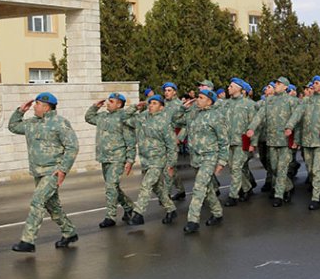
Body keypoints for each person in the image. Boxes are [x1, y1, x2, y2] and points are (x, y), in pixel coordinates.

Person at [8, 92, 79, 252]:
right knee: (52, 206)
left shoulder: (60, 123)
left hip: (52, 172)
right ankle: (69, 232)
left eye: (37, 104)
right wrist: (20, 111)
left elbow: (72, 146)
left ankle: (28, 241)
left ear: (46, 107)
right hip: (38, 172)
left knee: (37, 201)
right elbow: (13, 127)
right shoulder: (32, 123)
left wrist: (63, 169)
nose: (34, 106)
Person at [125, 95, 178, 225]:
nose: (151, 105)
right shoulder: (142, 118)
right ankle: (171, 209)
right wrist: (134, 108)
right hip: (145, 160)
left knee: (146, 185)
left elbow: (172, 145)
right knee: (156, 188)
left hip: (158, 160)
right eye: (150, 103)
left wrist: (171, 164)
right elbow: (124, 118)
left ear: (161, 107)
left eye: (154, 103)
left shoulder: (164, 122)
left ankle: (138, 214)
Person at [182, 89, 229, 234]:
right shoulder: (194, 114)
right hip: (196, 157)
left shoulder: (216, 116)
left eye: (201, 98)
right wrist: (183, 108)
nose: (197, 100)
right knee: (207, 188)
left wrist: (221, 162)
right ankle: (217, 212)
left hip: (209, 157)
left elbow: (223, 141)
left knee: (198, 188)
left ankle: (193, 220)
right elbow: (176, 120)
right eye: (197, 97)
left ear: (210, 101)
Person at [285, 75, 320, 210]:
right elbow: (297, 115)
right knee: (311, 170)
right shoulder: (306, 101)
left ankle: (316, 197)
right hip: (307, 141)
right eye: (313, 82)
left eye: (317, 83)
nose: (314, 84)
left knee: (318, 170)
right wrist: (290, 126)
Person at [85, 93, 136, 228]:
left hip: (117, 158)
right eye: (108, 101)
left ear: (119, 104)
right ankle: (129, 206)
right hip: (104, 157)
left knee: (110, 186)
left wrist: (130, 160)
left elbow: (130, 141)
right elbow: (89, 118)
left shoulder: (123, 118)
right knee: (113, 187)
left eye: (111, 101)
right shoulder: (102, 116)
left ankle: (110, 216)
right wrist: (95, 107)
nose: (108, 103)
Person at [247, 77, 298, 207]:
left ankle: (279, 195)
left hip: (285, 141)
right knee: (274, 168)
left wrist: (296, 140)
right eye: (275, 83)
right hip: (271, 140)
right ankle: (289, 186)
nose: (276, 85)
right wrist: (251, 128)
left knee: (281, 168)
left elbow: (297, 121)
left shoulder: (292, 101)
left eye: (279, 83)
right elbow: (259, 116)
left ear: (286, 87)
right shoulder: (268, 101)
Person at [223, 78, 257, 207]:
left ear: (239, 88)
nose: (228, 88)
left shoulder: (248, 104)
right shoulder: (226, 104)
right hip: (228, 141)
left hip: (242, 140)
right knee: (233, 168)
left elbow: (253, 125)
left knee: (236, 167)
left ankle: (233, 196)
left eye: (231, 86)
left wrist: (253, 143)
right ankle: (247, 188)